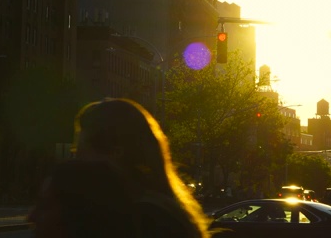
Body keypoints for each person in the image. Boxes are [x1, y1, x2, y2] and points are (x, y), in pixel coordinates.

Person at [29, 98, 211, 237]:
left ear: (115, 151)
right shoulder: (159, 208)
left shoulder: (143, 219)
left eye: (81, 150)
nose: (77, 159)